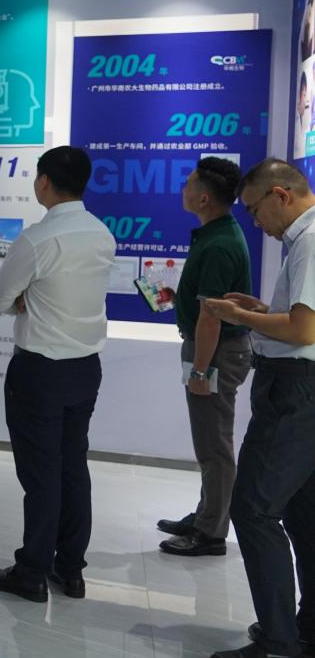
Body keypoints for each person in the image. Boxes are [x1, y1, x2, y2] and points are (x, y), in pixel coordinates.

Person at [0, 146, 116, 603]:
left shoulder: (38, 239)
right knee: (73, 468)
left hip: (39, 370)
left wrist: (27, 299)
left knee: (41, 474)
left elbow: (0, 299)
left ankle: (31, 572)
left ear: (43, 182)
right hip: (86, 368)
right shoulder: (101, 233)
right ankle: (70, 570)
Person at [202, 159, 315, 658]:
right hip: (299, 389)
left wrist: (239, 316)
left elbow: (303, 331)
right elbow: (300, 321)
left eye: (254, 209)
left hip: (296, 393)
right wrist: (264, 311)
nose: (254, 221)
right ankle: (305, 628)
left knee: (252, 508)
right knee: (302, 511)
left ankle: (278, 641)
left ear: (281, 195)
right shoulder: (303, 240)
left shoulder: (309, 241)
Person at [156, 158, 252, 557]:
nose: (183, 188)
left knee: (214, 444)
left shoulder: (219, 245)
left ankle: (211, 532)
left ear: (204, 198)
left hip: (215, 353)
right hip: (210, 349)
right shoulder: (215, 234)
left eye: (189, 183)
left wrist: (200, 370)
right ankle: (206, 514)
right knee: (209, 439)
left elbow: (212, 316)